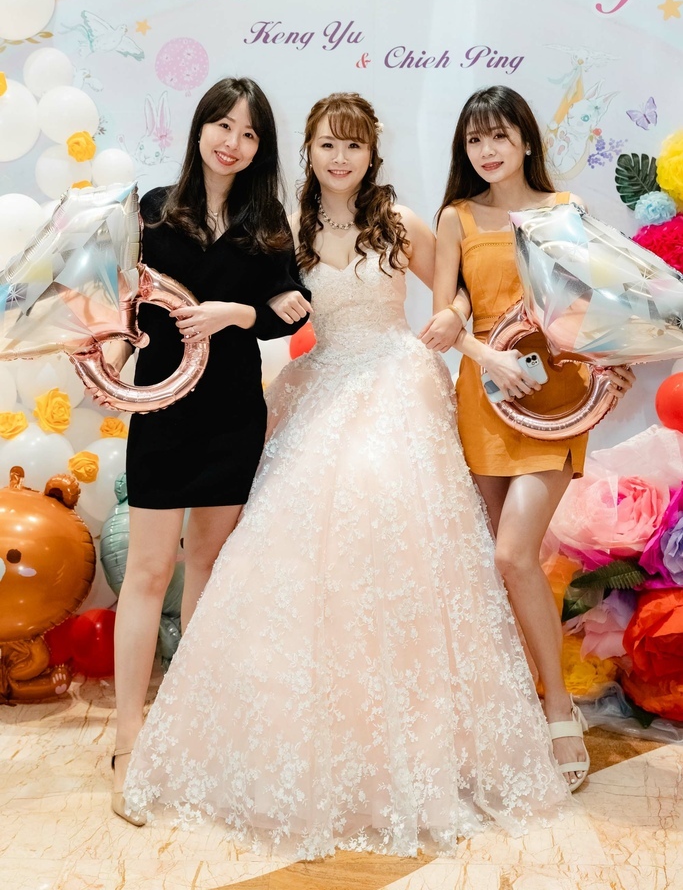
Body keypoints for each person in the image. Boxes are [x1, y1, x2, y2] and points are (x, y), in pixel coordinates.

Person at [122, 92, 570, 857]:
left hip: (395, 384)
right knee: (291, 558)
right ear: (308, 151)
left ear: (371, 154)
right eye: (327, 145)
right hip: (322, 385)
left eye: (353, 146)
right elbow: (263, 304)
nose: (339, 158)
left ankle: (421, 744)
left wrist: (457, 320)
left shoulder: (400, 221)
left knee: (391, 542)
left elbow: (456, 287)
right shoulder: (283, 229)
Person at [109, 77, 311, 825]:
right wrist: (112, 350)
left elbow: (291, 308)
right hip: (162, 409)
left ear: (261, 148)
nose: (233, 141)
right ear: (199, 129)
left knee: (207, 570)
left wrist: (240, 312)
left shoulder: (267, 224)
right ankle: (129, 739)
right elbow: (118, 300)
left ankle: (192, 730)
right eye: (223, 125)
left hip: (231, 414)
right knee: (147, 573)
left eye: (249, 133)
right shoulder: (153, 210)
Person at [420, 85, 634, 790]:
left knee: (514, 554)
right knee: (503, 567)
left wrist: (613, 363)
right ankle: (513, 710)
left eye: (499, 136)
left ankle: (557, 708)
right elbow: (447, 313)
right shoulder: (456, 216)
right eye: (474, 139)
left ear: (525, 141)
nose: (487, 150)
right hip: (486, 397)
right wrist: (483, 352)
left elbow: (594, 304)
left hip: (558, 399)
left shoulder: (563, 211)